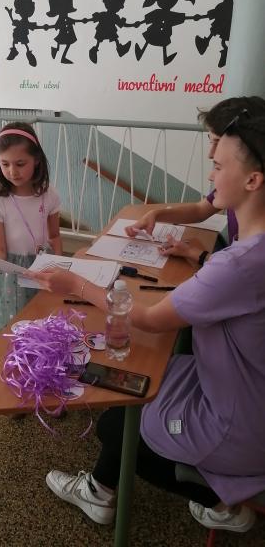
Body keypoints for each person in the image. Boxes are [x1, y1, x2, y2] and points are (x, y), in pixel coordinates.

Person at [29, 114, 265, 533]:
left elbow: (149, 319)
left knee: (118, 426)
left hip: (240, 422)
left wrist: (75, 283)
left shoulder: (241, 263)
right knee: (137, 381)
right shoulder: (248, 251)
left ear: (253, 180)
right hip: (239, 386)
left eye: (218, 165)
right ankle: (103, 488)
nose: (210, 172)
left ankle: (220, 502)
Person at [125, 96, 265, 265]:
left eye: (219, 142)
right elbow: (200, 210)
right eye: (211, 141)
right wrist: (156, 214)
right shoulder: (235, 190)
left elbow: (239, 265)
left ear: (253, 180)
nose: (211, 154)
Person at [0, 122, 62, 335]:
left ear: (36, 160)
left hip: (42, 268)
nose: (12, 171)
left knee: (43, 326)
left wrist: (59, 265)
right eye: (5, 164)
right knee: (14, 330)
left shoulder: (50, 195)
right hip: (10, 274)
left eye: (20, 163)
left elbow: (55, 236)